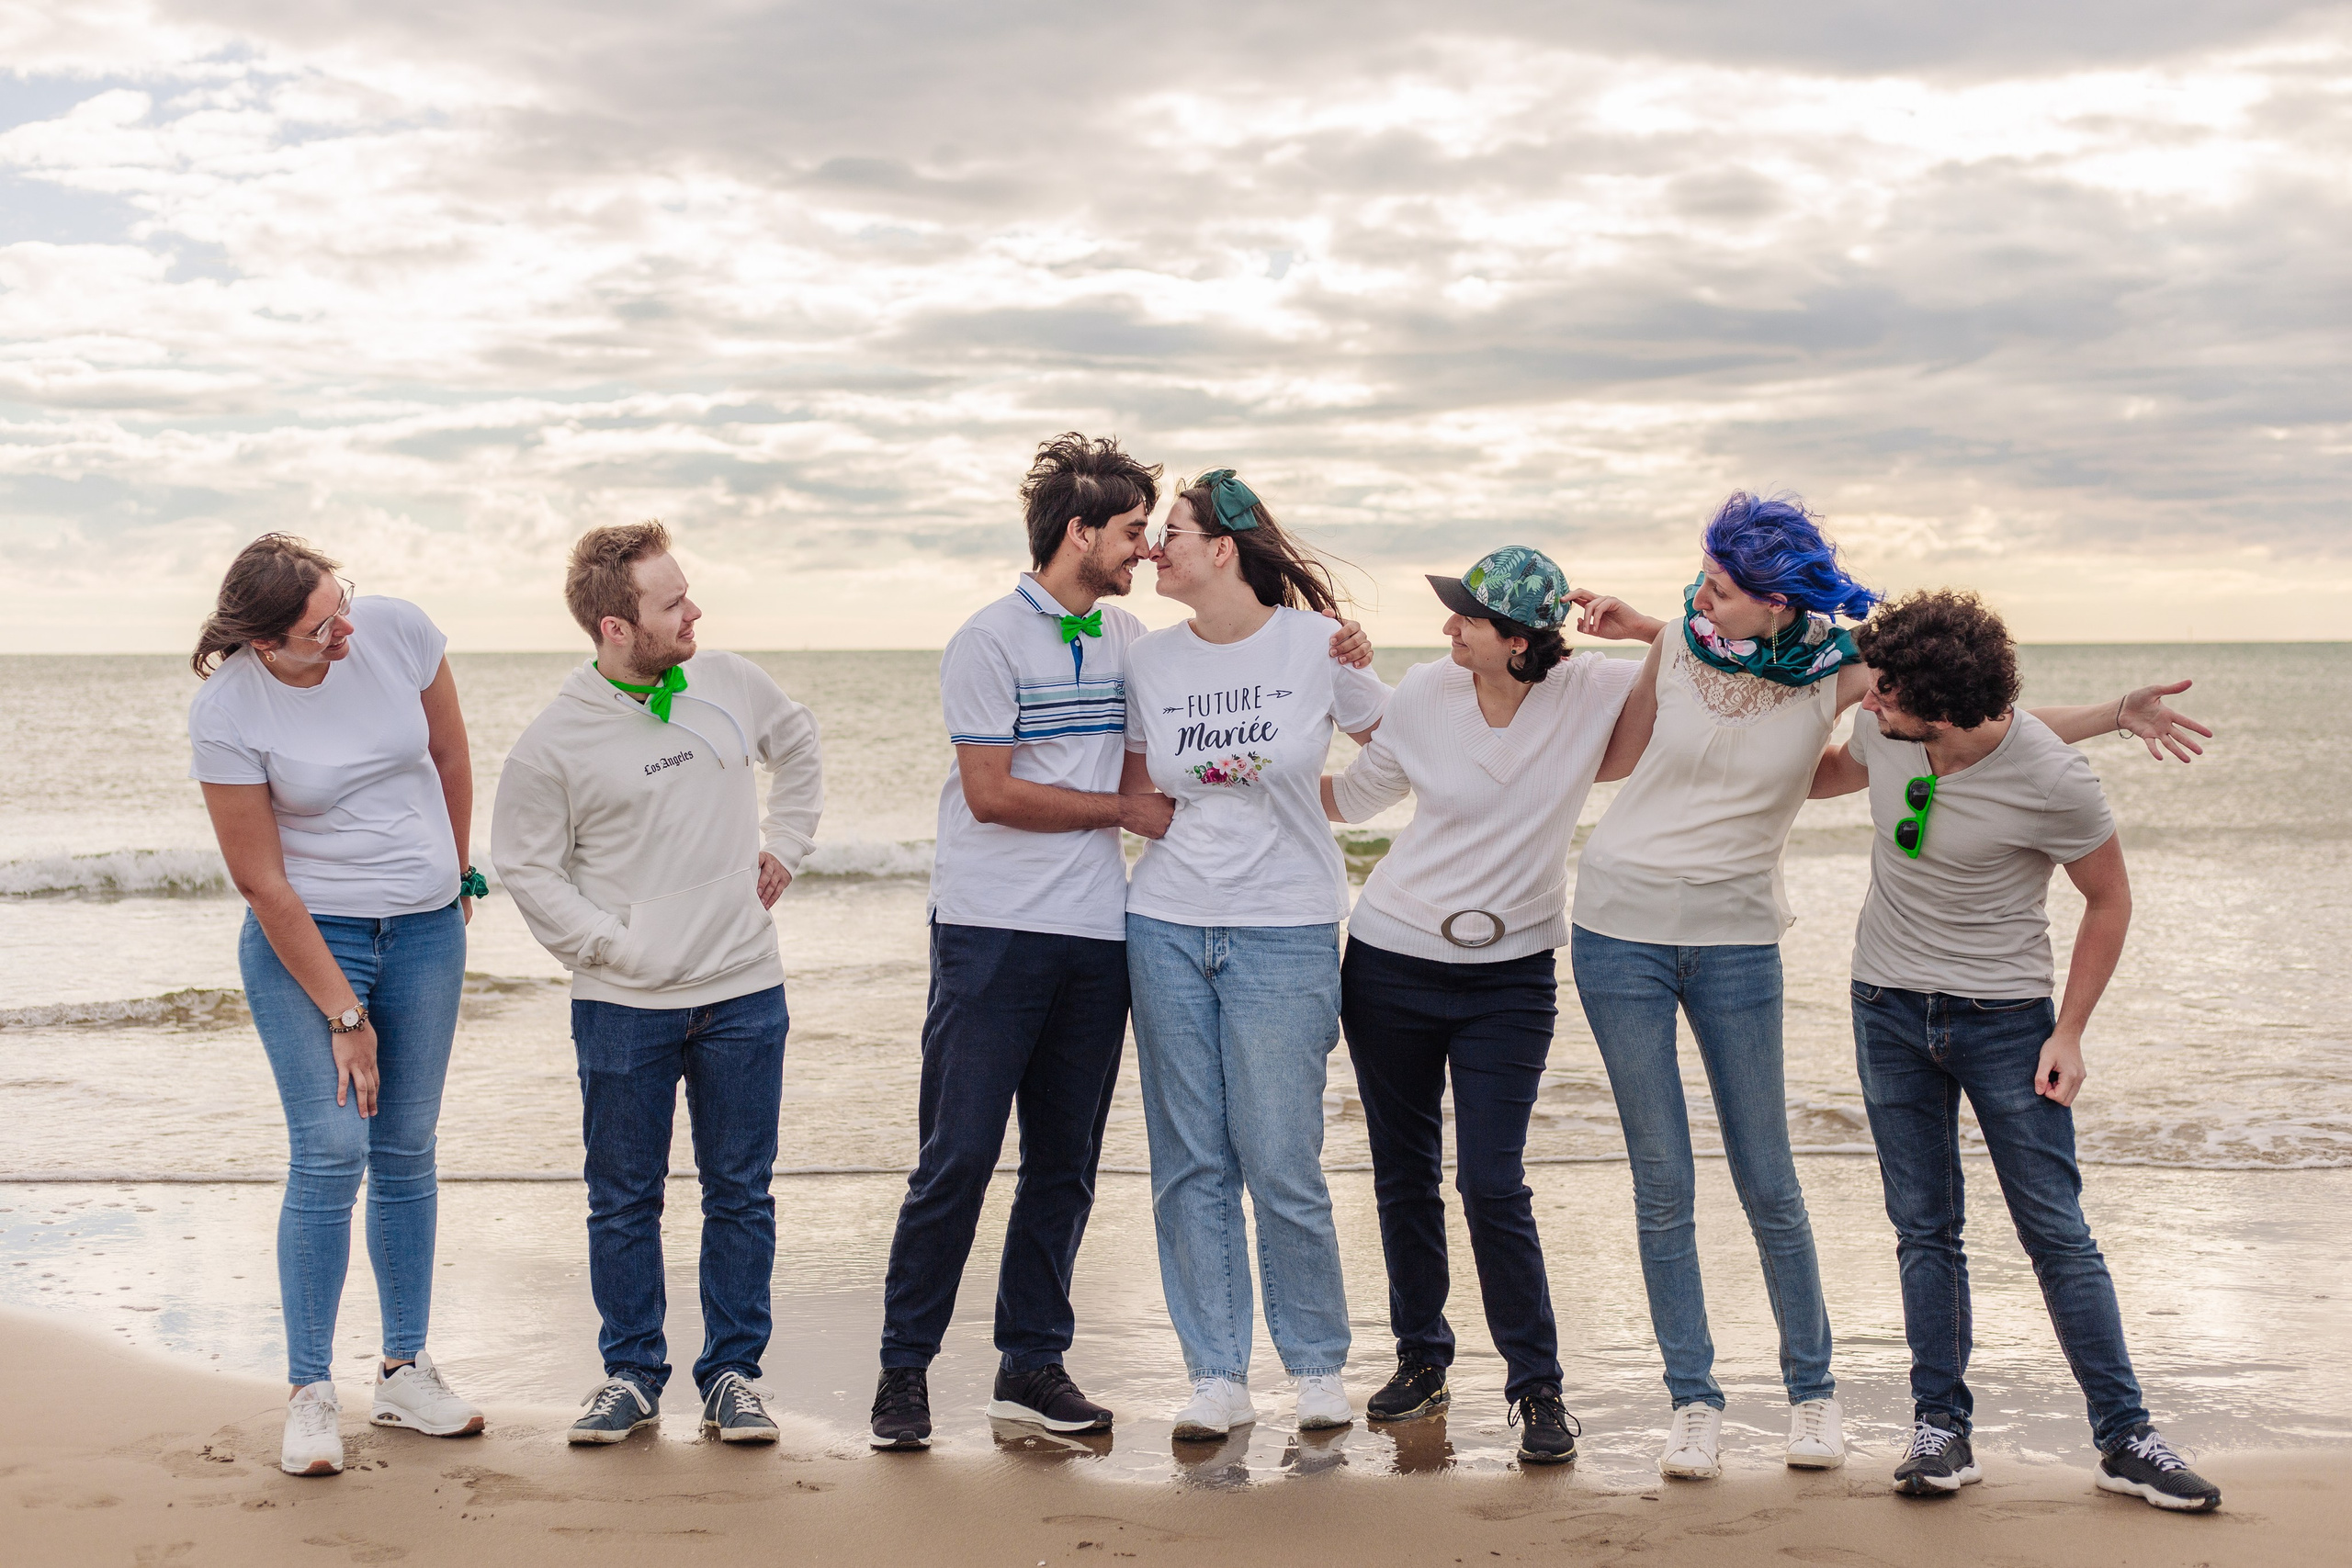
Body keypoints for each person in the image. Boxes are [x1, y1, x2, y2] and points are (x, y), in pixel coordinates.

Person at [1568, 491, 2211, 1481]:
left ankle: (2111, 1431)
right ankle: (1891, 1424)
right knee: (1898, 1223)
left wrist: (2116, 720)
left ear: (1781, 604)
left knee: (2032, 1224)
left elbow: (2015, 748)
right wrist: (1646, 634)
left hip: (1945, 1000)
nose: (1701, 597)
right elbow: (1734, 691)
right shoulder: (1841, 707)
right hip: (1844, 992)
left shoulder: (1917, 714)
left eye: (1724, 586)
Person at [868, 436, 1373, 1450]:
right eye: (1132, 532)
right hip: (991, 928)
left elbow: (1245, 741)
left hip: (1101, 932)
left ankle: (1031, 1365)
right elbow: (991, 792)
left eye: (1158, 532)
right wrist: (1128, 814)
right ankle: (903, 1372)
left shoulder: (1126, 639)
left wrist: (1319, 738)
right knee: (958, 1156)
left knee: (1067, 1164)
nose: (1144, 551)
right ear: (1079, 534)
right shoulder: (987, 639)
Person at [1809, 590, 2222, 1512]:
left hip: (2005, 1022)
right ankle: (1939, 1431)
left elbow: (2108, 900)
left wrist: (2068, 1031)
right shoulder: (1888, 731)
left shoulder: (2054, 779)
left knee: (2056, 1234)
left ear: (1947, 707)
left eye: (1885, 694)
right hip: (1883, 1008)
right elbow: (1809, 778)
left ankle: (2124, 1438)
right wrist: (1820, 702)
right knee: (1924, 1229)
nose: (1870, 703)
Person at [492, 521, 822, 1448]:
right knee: (624, 1198)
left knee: (741, 1192)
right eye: (670, 603)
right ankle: (632, 1375)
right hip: (624, 1008)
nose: (693, 612)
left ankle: (732, 1377)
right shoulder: (553, 744)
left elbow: (797, 745)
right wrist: (613, 948)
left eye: (686, 593)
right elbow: (527, 865)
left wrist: (785, 848)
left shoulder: (728, 684)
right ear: (615, 628)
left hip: (745, 992)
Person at [1319, 547, 1649, 1466]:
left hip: (1512, 977)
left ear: (1515, 640)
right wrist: (1233, 789)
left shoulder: (1588, 691)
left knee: (1492, 1183)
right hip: (1388, 960)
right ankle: (1422, 1362)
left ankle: (1536, 1391)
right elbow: (1353, 798)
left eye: (1464, 617)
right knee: (1404, 1175)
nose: (1446, 628)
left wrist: (1647, 625)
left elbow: (1694, 673)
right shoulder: (1425, 691)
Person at [189, 534, 487, 1479]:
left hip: (426, 931)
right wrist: (343, 1016)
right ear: (268, 641)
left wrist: (456, 878)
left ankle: (404, 1371)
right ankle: (310, 1393)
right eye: (322, 625)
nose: (345, 628)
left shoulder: (396, 633)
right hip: (310, 940)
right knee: (330, 1150)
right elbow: (263, 882)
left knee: (407, 1148)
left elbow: (447, 755)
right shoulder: (229, 707)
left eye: (341, 600)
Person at [1121, 468, 1390, 1440]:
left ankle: (1316, 1364)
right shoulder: (1149, 660)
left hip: (1285, 925)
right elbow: (1130, 779)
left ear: (1222, 548)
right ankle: (1215, 1375)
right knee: (1189, 1160)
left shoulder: (1318, 644)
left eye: (1172, 532)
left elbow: (1397, 743)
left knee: (1281, 1156)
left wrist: (1337, 806)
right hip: (1164, 921)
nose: (1155, 548)